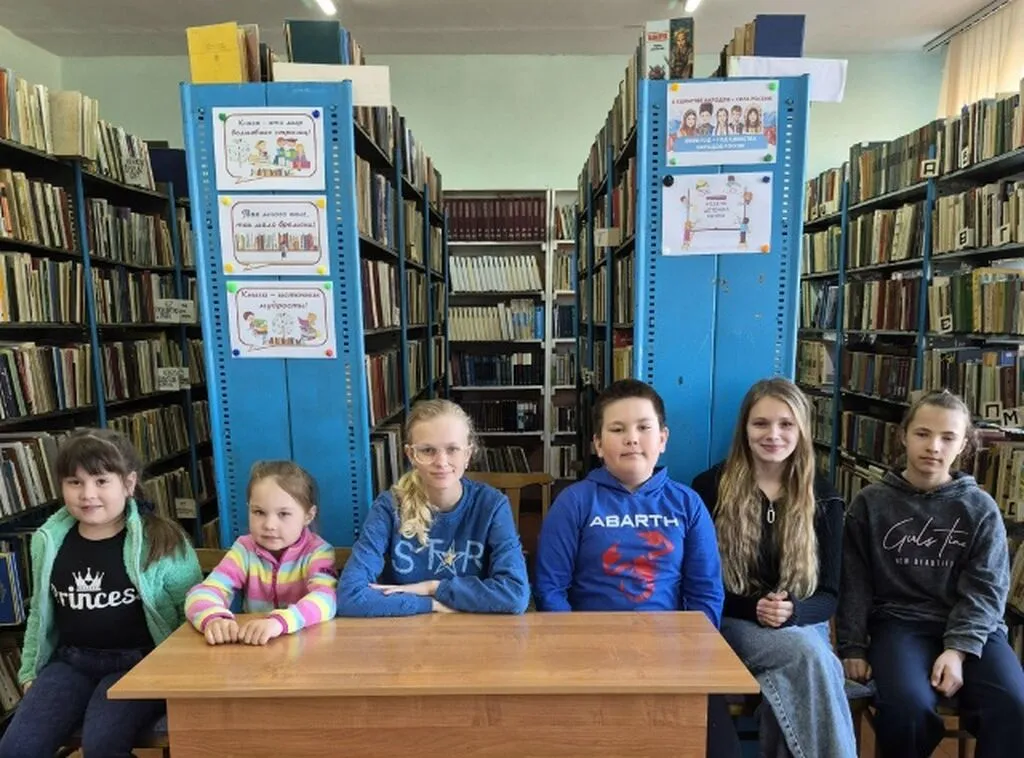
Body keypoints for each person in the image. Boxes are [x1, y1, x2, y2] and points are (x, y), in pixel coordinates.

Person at [533, 378, 740, 758]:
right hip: (590, 652)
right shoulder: (574, 502)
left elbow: (705, 591)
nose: (631, 438)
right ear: (598, 444)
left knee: (717, 745)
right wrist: (578, 647)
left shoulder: (687, 504)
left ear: (662, 438)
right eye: (617, 429)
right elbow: (550, 588)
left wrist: (692, 650)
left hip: (670, 651)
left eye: (643, 427)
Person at [837, 389, 1024, 758]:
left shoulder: (980, 508)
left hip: (975, 629)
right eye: (922, 433)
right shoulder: (870, 503)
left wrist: (958, 650)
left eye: (948, 437)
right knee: (907, 709)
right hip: (899, 624)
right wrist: (853, 646)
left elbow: (986, 590)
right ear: (903, 435)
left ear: (964, 445)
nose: (933, 446)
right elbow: (854, 582)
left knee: (1015, 706)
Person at [0, 428, 202, 758]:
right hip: (71, 662)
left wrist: (183, 677)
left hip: (140, 664)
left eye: (101, 481)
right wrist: (28, 673)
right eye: (75, 482)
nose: (87, 494)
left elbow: (191, 610)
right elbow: (39, 611)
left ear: (129, 483)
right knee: (16, 749)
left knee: (102, 746)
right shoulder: (48, 541)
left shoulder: (162, 541)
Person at [691, 377, 856, 758]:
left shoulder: (824, 496)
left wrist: (794, 611)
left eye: (786, 424)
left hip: (802, 622)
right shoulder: (710, 488)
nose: (773, 435)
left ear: (802, 430)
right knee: (812, 659)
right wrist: (755, 609)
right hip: (734, 620)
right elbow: (700, 584)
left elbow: (829, 594)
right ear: (744, 429)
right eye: (761, 423)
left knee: (803, 664)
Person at [336, 399, 530, 616]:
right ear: (411, 455)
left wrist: (433, 588)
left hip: (473, 631)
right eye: (428, 450)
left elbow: (515, 595)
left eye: (452, 449)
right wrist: (432, 605)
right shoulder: (389, 507)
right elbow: (349, 596)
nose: (441, 461)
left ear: (467, 454)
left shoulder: (492, 505)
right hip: (406, 630)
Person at [185, 460, 338, 645]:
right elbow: (203, 592)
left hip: (306, 645)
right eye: (259, 512)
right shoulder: (244, 549)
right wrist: (214, 618)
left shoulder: (318, 551)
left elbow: (326, 598)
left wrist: (280, 622)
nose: (269, 525)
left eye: (283, 514)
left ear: (308, 516)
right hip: (256, 646)